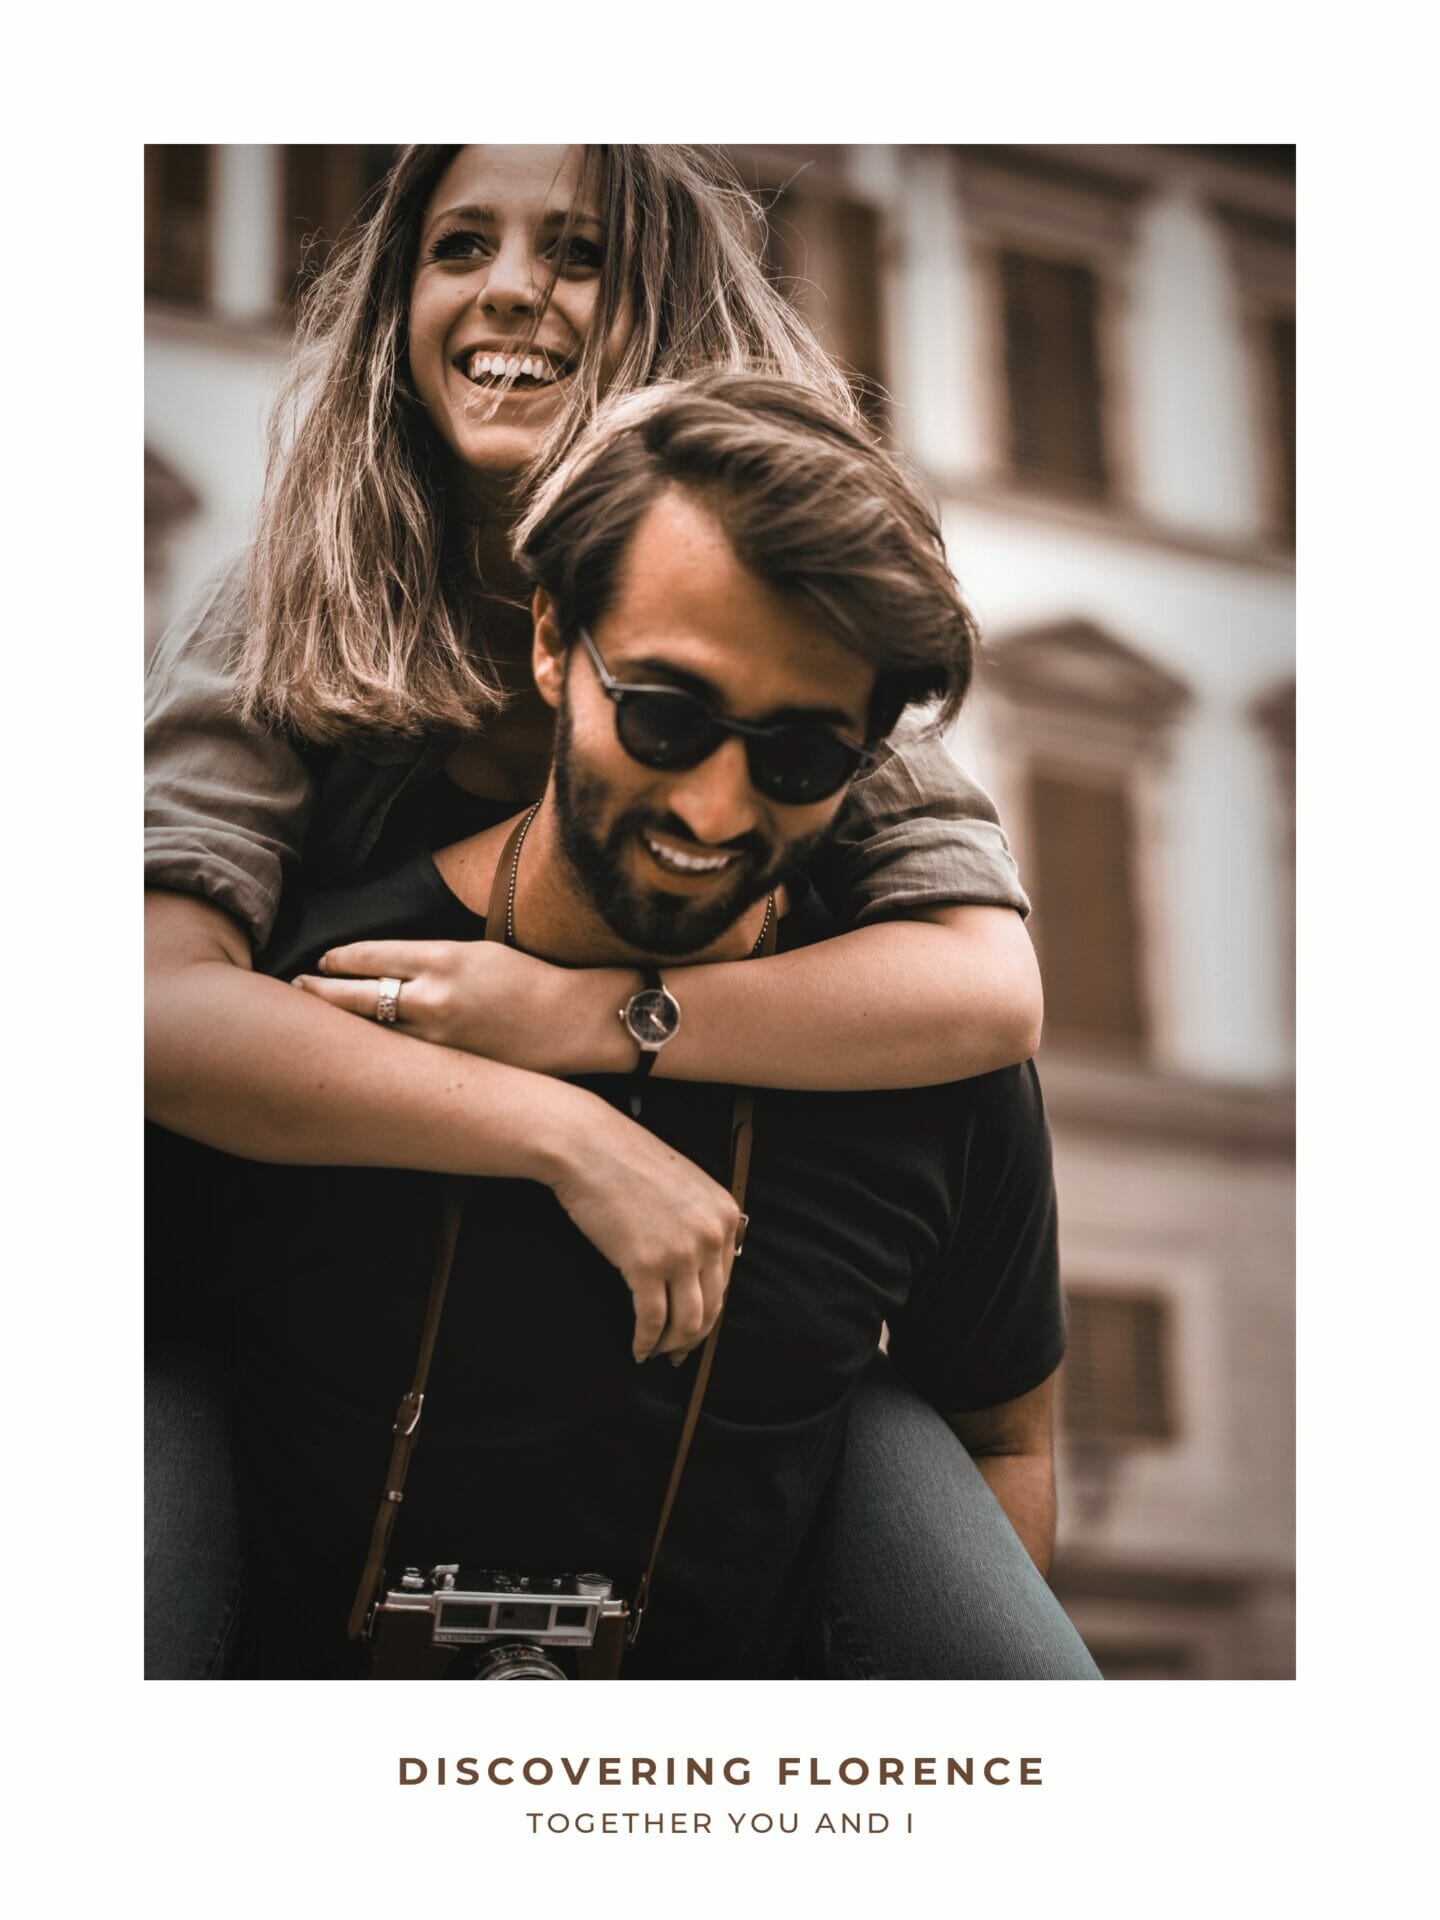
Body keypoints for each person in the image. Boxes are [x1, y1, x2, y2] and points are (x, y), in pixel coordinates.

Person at [144, 146, 1042, 1677]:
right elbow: (144, 1007)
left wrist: (578, 1021)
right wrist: (563, 1126)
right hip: (315, 1206)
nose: (509, 288)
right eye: (459, 246)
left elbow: (986, 994)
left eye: (576, 252)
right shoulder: (293, 590)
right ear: (560, 648)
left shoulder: (785, 603)